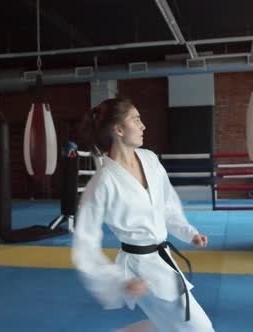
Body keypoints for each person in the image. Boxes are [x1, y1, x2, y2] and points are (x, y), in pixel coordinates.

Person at [71, 98, 215, 332]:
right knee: (200, 328)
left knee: (168, 326)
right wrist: (117, 282)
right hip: (138, 270)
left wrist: (189, 233)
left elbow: (168, 204)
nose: (143, 126)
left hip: (162, 259)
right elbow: (85, 244)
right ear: (118, 130)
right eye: (136, 120)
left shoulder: (149, 158)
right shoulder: (103, 182)